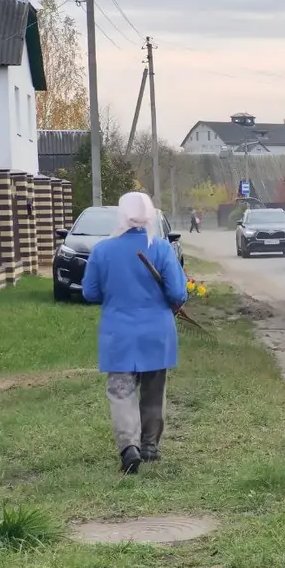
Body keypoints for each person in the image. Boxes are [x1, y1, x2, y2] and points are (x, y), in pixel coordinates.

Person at [82, 192, 188, 474]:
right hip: (157, 332)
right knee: (154, 390)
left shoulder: (103, 250)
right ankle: (150, 445)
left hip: (118, 334)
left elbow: (90, 292)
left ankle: (129, 447)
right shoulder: (162, 248)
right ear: (151, 214)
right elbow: (178, 292)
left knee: (121, 391)